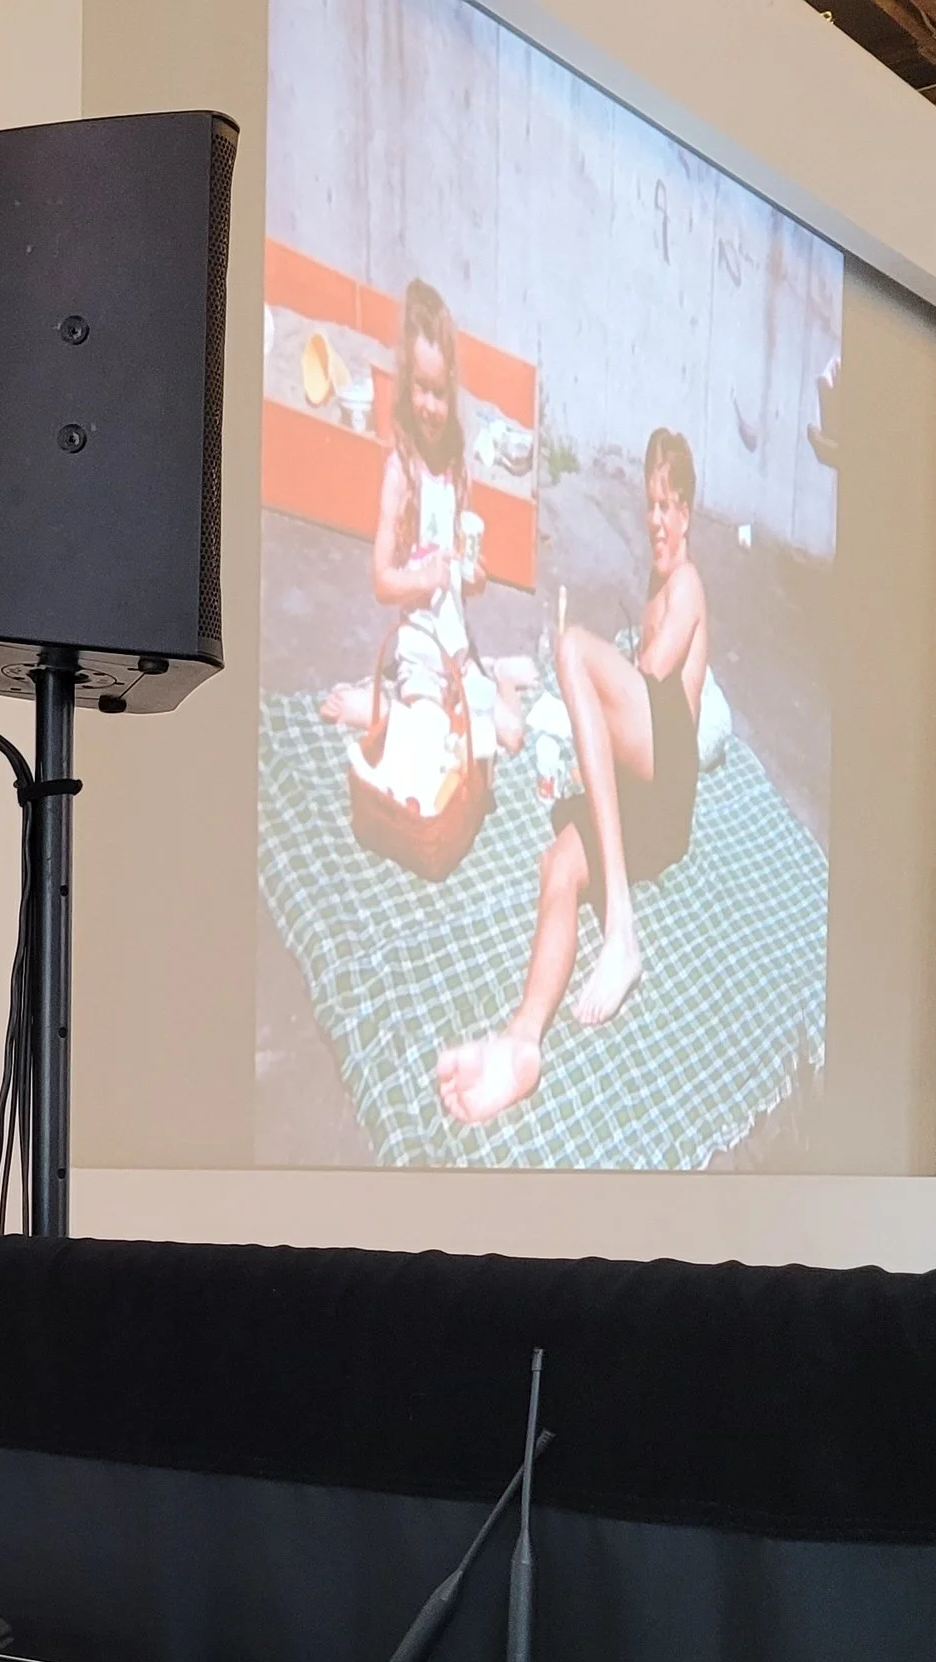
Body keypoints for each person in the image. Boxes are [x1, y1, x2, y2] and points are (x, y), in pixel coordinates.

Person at [435, 429, 709, 1124]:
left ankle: (622, 927)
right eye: (650, 503)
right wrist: (582, 747)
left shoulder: (687, 586)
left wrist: (591, 710)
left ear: (689, 513)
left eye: (670, 505)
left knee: (572, 650)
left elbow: (649, 684)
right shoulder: (653, 580)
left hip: (669, 780)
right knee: (556, 866)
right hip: (643, 792)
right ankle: (522, 1042)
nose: (657, 520)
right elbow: (617, 713)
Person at [321, 279, 533, 758]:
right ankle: (369, 706)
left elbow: (463, 575)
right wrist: (426, 576)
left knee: (512, 736)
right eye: (422, 389)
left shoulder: (457, 468)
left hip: (456, 645)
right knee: (431, 735)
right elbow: (381, 582)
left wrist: (474, 577)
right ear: (406, 382)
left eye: (440, 393)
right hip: (418, 650)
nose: (431, 407)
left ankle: (495, 674)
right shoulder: (400, 472)